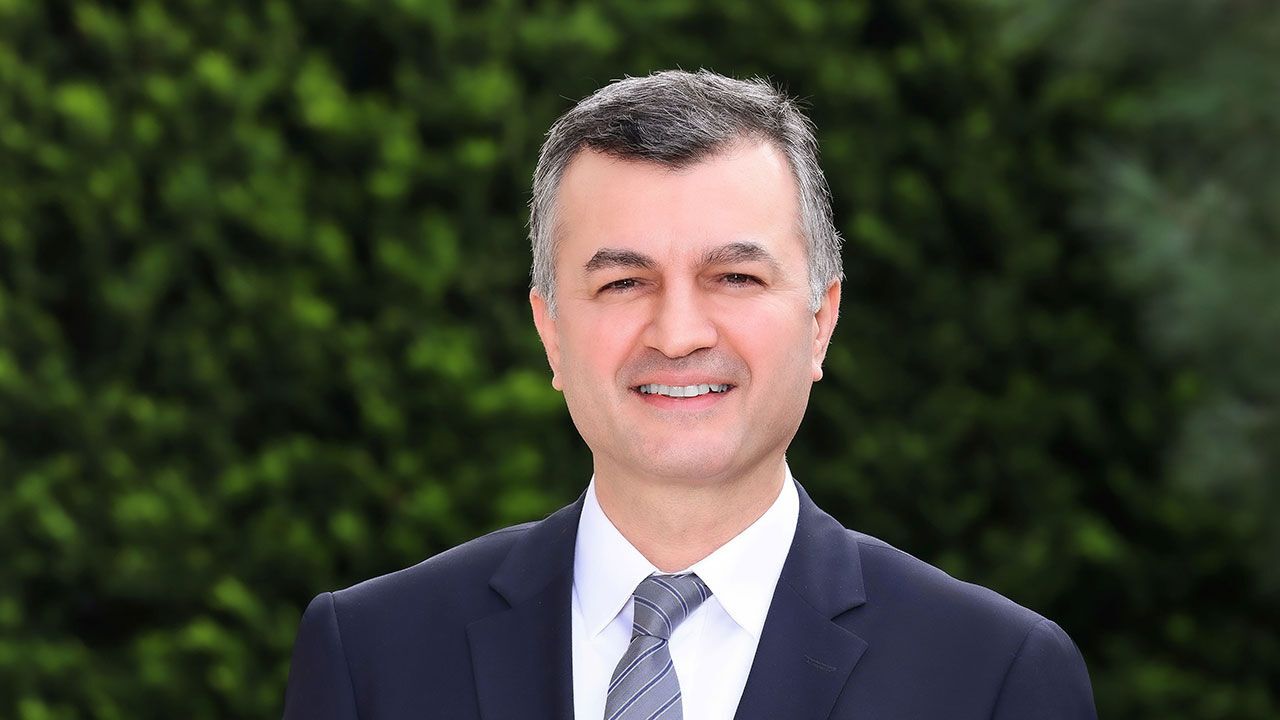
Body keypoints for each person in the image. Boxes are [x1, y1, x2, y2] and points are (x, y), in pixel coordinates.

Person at [282, 69, 1097, 720]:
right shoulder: (371, 656)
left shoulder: (992, 678)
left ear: (821, 320)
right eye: (624, 281)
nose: (677, 334)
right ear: (551, 331)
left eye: (734, 277)